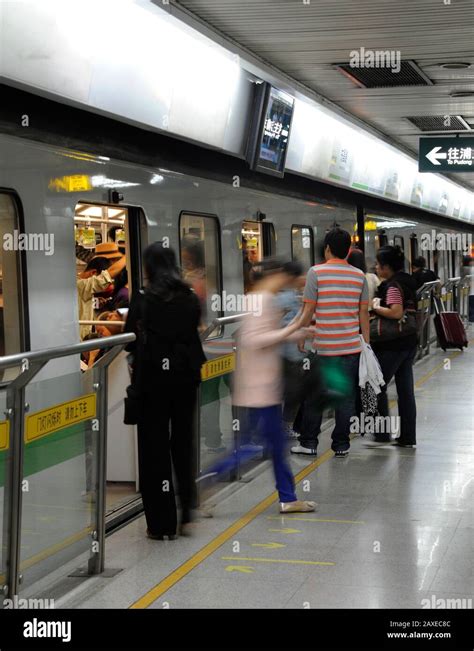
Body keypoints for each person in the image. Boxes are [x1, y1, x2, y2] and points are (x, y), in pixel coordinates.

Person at [203, 259, 316, 513]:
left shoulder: (263, 298)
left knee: (272, 447)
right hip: (258, 390)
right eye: (288, 280)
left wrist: (298, 333)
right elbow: (256, 340)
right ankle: (205, 484)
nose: (288, 285)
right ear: (278, 275)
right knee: (253, 447)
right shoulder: (261, 300)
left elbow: (265, 337)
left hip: (262, 387)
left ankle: (288, 498)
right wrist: (293, 329)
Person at [124, 242, 206, 539]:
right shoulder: (189, 296)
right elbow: (194, 328)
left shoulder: (144, 298)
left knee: (153, 449)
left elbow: (128, 339)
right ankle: (187, 513)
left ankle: (160, 525)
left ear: (148, 267)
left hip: (152, 382)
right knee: (183, 444)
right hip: (185, 378)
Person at [292, 228, 369, 458]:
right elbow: (363, 312)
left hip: (324, 348)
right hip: (350, 348)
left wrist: (301, 334)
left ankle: (309, 443)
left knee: (316, 395)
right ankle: (341, 445)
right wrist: (366, 344)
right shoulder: (359, 276)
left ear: (327, 248)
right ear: (348, 250)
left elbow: (308, 310)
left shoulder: (315, 272)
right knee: (346, 398)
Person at [370, 245, 418, 448]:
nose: (375, 267)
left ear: (387, 267)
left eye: (378, 264)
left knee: (377, 385)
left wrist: (376, 307)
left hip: (393, 344)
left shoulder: (392, 287)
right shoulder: (408, 282)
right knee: (406, 390)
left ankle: (382, 433)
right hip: (408, 342)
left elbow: (396, 312)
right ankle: (407, 436)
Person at [275, 261, 306, 438]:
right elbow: (296, 323)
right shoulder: (289, 298)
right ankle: (286, 426)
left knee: (281, 391)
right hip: (289, 352)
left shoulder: (281, 296)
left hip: (280, 351)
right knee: (293, 391)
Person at [76, 248, 126, 339]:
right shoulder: (80, 285)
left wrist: (94, 302)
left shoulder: (80, 285)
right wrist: (127, 256)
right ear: (94, 273)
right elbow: (105, 277)